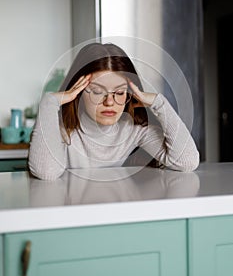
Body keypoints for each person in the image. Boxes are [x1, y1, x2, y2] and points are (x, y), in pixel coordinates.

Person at [28, 42, 199, 181]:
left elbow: (187, 162)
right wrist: (50, 101)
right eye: (96, 91)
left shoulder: (134, 129)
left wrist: (159, 103)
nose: (109, 102)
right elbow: (46, 173)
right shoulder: (59, 129)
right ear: (77, 91)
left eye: (119, 93)